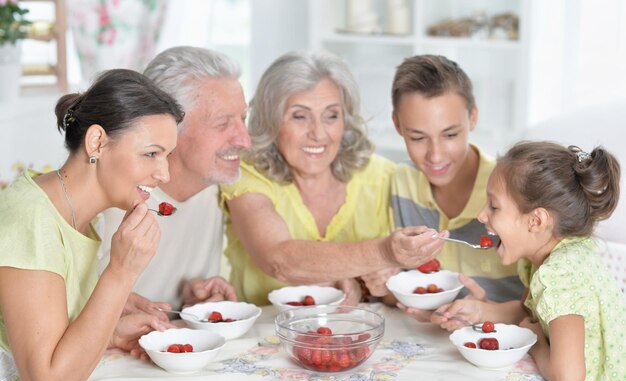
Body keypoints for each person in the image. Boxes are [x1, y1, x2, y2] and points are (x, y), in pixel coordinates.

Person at [0, 69, 184, 381]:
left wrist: (110, 332)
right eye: (151, 154)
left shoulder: (81, 217)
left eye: (167, 156)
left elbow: (47, 332)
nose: (164, 175)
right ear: (97, 142)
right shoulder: (31, 218)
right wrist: (121, 272)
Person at [220, 50, 446, 306]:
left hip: (356, 334)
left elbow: (402, 293)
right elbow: (279, 261)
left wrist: (381, 282)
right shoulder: (246, 174)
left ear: (345, 120)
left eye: (331, 116)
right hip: (260, 337)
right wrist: (384, 253)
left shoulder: (383, 177)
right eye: (299, 116)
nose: (318, 133)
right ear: (271, 120)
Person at [439, 141, 625, 381]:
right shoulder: (551, 257)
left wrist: (536, 343)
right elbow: (530, 312)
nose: (481, 215)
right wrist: (482, 310)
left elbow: (568, 378)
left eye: (494, 206)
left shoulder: (560, 275)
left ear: (536, 221)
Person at [99, 46, 249, 316]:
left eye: (243, 119)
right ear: (168, 128)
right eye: (223, 124)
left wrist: (192, 301)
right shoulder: (107, 199)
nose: (244, 140)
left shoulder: (216, 186)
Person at [388, 54, 523, 316]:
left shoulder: (513, 188)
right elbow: (400, 284)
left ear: (472, 118)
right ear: (397, 125)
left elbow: (547, 301)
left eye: (450, 135)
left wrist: (492, 311)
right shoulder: (402, 181)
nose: (435, 155)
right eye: (418, 137)